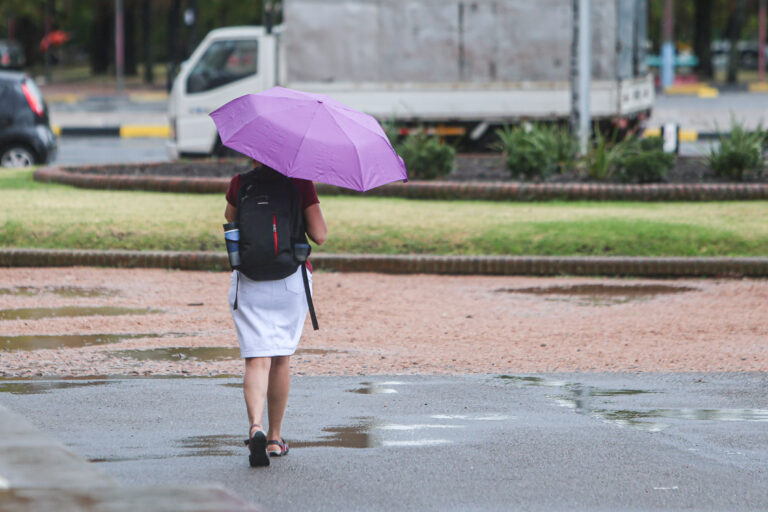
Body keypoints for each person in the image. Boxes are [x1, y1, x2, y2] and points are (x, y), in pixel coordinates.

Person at [225, 159, 327, 467]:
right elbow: (320, 235)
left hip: (249, 280)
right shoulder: (300, 183)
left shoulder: (240, 183)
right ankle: (273, 439)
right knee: (281, 358)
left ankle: (255, 425)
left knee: (257, 359)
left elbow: (231, 224)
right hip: (290, 280)